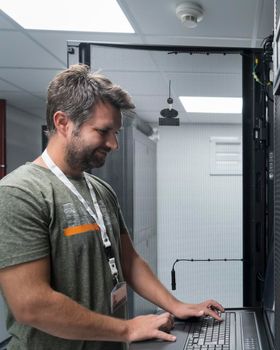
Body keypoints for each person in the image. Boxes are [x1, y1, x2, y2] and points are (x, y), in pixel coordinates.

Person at [0, 64, 224, 349]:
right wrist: (127, 329)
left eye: (116, 133)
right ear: (62, 123)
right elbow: (31, 305)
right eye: (104, 131)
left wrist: (176, 305)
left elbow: (129, 261)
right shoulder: (21, 193)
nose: (114, 144)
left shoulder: (100, 190)